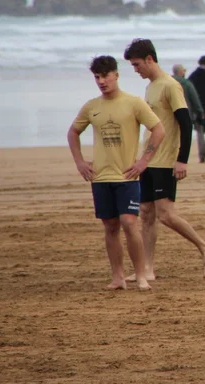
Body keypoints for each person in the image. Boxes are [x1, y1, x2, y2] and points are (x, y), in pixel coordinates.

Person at [68, 56, 164, 291]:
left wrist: (144, 161)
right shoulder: (91, 106)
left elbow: (158, 129)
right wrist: (79, 162)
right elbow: (73, 132)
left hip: (127, 176)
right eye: (97, 77)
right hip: (101, 177)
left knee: (129, 223)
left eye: (105, 76)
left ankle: (140, 275)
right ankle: (118, 276)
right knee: (110, 226)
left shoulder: (134, 103)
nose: (101, 81)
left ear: (116, 75)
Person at [125, 39, 205, 280]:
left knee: (165, 214)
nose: (135, 70)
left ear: (149, 59)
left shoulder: (170, 85)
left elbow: (186, 123)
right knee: (146, 213)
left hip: (166, 161)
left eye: (137, 65)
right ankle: (147, 269)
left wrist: (182, 159)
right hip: (149, 159)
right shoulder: (151, 87)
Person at [172, 64, 204, 133]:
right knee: (185, 136)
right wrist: (200, 112)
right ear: (180, 72)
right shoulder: (187, 83)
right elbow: (195, 99)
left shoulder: (167, 82)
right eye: (184, 70)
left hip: (171, 115)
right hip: (186, 114)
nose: (184, 72)